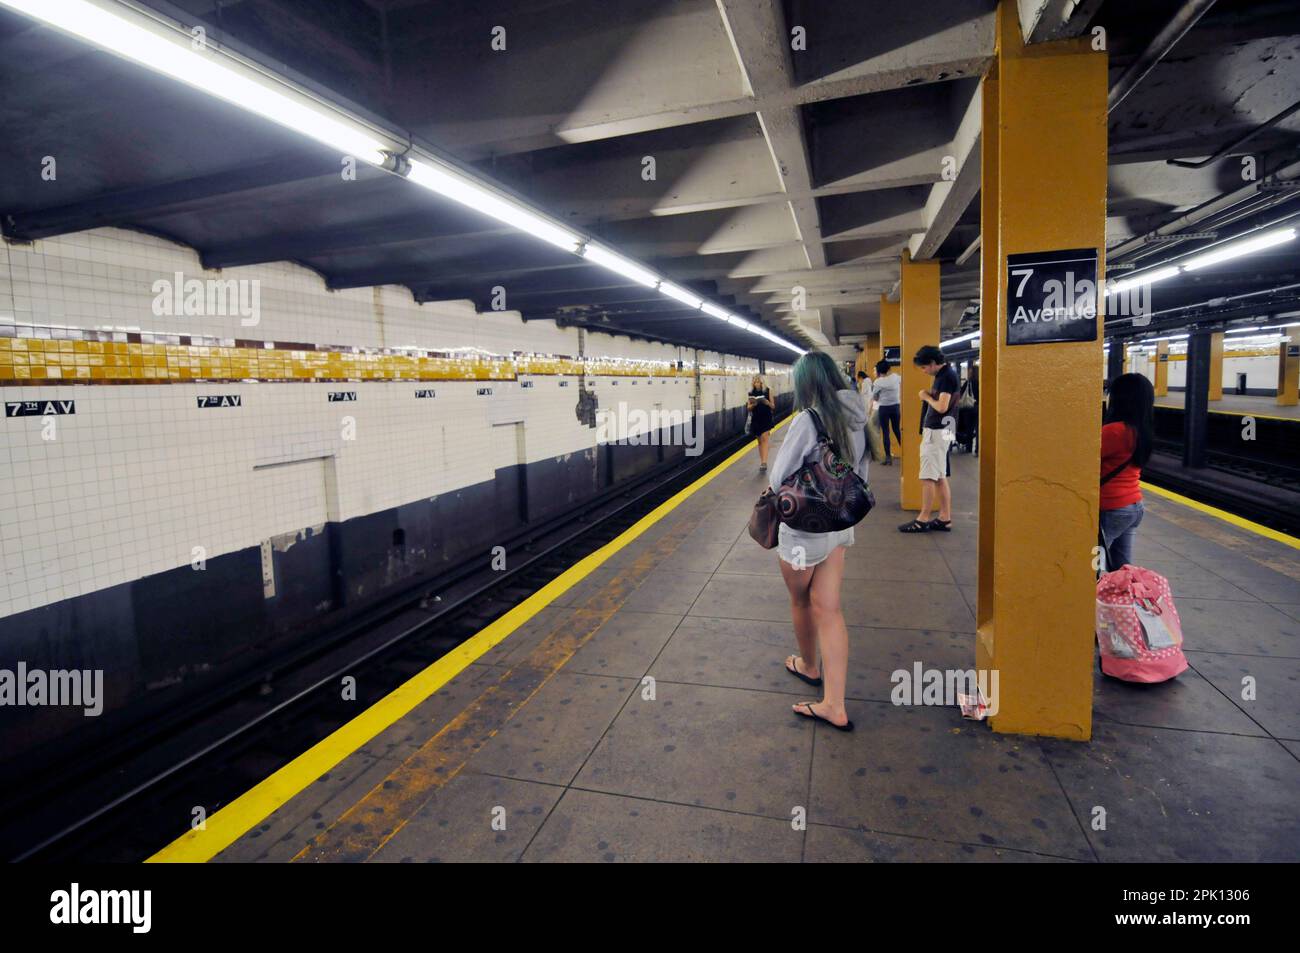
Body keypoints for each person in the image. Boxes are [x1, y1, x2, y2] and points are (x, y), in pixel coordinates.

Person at [769, 351, 869, 732]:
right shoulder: (857, 414)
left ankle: (810, 666)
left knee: (800, 599)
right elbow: (861, 472)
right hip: (841, 526)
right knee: (829, 609)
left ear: (806, 383)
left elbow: (779, 479)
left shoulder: (808, 420)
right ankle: (834, 705)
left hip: (804, 533)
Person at [899, 344, 958, 533]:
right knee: (940, 476)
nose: (924, 371)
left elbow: (941, 407)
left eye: (924, 367)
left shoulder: (945, 377)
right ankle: (944, 518)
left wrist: (925, 396)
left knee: (928, 477)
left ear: (933, 363)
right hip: (945, 429)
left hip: (937, 431)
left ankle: (923, 518)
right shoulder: (948, 374)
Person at [1100, 373, 1154, 571]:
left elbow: (1082, 461)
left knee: (1090, 566)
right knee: (1122, 570)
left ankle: (1088, 602)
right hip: (1133, 506)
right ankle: (1122, 601)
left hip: (1111, 507)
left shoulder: (1114, 431)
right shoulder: (1141, 430)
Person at [869, 359, 901, 465]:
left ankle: (888, 457)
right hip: (896, 407)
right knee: (897, 430)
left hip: (883, 408)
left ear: (878, 371)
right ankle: (905, 452)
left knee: (886, 432)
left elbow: (875, 397)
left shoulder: (878, 382)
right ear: (889, 368)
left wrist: (879, 396)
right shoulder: (896, 377)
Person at [747, 374, 775, 473]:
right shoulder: (751, 393)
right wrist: (753, 404)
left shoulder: (768, 390)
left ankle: (764, 462)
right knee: (759, 441)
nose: (756, 383)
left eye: (758, 381)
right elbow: (748, 408)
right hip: (756, 419)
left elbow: (773, 406)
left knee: (765, 439)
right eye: (755, 381)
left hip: (766, 418)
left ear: (762, 382)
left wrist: (767, 403)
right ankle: (762, 461)